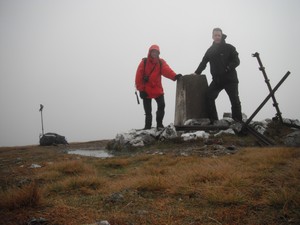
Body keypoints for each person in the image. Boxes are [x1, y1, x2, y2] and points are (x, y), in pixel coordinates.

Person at [194, 28, 242, 123]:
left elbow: (237, 61)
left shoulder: (229, 48)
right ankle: (214, 121)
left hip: (230, 79)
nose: (217, 37)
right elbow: (204, 62)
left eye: (218, 35)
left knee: (234, 100)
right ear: (212, 36)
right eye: (215, 35)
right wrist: (197, 73)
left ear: (221, 36)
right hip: (217, 80)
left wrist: (228, 68)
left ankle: (238, 122)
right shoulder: (210, 50)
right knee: (208, 96)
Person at [135, 44, 182, 130]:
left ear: (158, 53)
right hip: (146, 90)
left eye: (156, 52)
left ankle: (159, 125)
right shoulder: (144, 62)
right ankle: (147, 127)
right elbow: (138, 76)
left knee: (161, 106)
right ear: (150, 52)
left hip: (157, 89)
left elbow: (166, 70)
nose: (154, 53)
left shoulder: (161, 62)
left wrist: (174, 76)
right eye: (153, 51)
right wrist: (141, 90)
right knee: (148, 111)